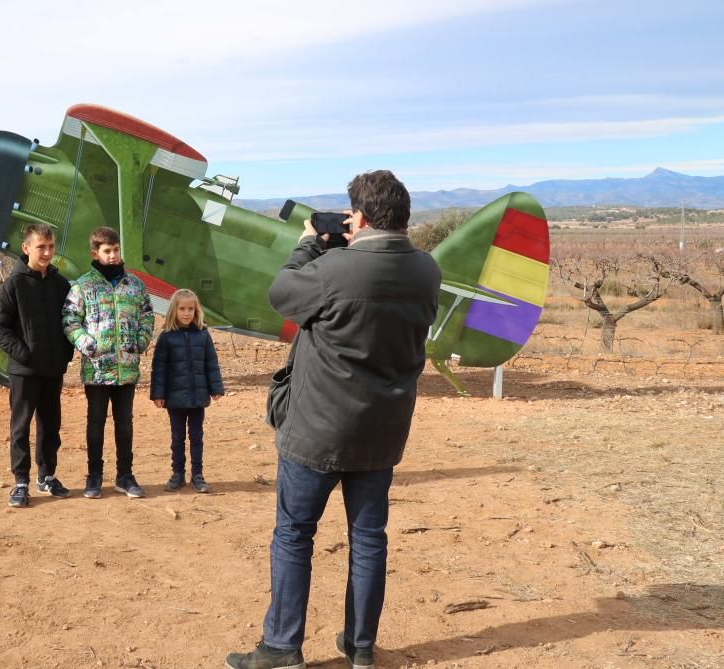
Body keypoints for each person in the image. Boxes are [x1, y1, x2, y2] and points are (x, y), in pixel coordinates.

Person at [226, 171, 442, 669]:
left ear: (359, 217)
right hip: (383, 432)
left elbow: (283, 293)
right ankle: (360, 647)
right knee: (369, 540)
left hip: (318, 431)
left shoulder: (334, 270)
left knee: (295, 534)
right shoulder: (427, 271)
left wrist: (308, 244)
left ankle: (281, 647)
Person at [62, 226, 154, 499]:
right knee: (96, 422)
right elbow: (69, 320)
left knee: (124, 423)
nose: (113, 256)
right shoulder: (82, 286)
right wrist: (87, 344)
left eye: (116, 250)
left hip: (126, 367)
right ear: (95, 253)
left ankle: (125, 476)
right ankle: (94, 476)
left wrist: (141, 340)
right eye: (107, 251)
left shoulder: (135, 285)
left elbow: (147, 315)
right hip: (97, 369)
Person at [0, 223, 75, 508]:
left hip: (53, 370)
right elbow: (0, 329)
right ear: (26, 248)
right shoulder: (12, 286)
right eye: (41, 247)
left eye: (51, 246)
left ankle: (47, 476)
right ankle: (21, 483)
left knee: (51, 426)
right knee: (21, 427)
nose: (47, 252)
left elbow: (70, 323)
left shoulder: (61, 285)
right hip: (24, 372)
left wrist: (65, 354)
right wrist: (24, 355)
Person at [149, 289, 225, 494]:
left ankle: (197, 475)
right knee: (177, 437)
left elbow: (211, 363)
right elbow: (159, 368)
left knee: (197, 437)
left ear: (196, 310)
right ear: (174, 310)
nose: (186, 313)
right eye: (182, 309)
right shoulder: (166, 337)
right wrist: (158, 394)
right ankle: (177, 474)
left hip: (198, 398)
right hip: (174, 399)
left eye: (191, 309)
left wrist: (216, 388)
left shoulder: (203, 334)